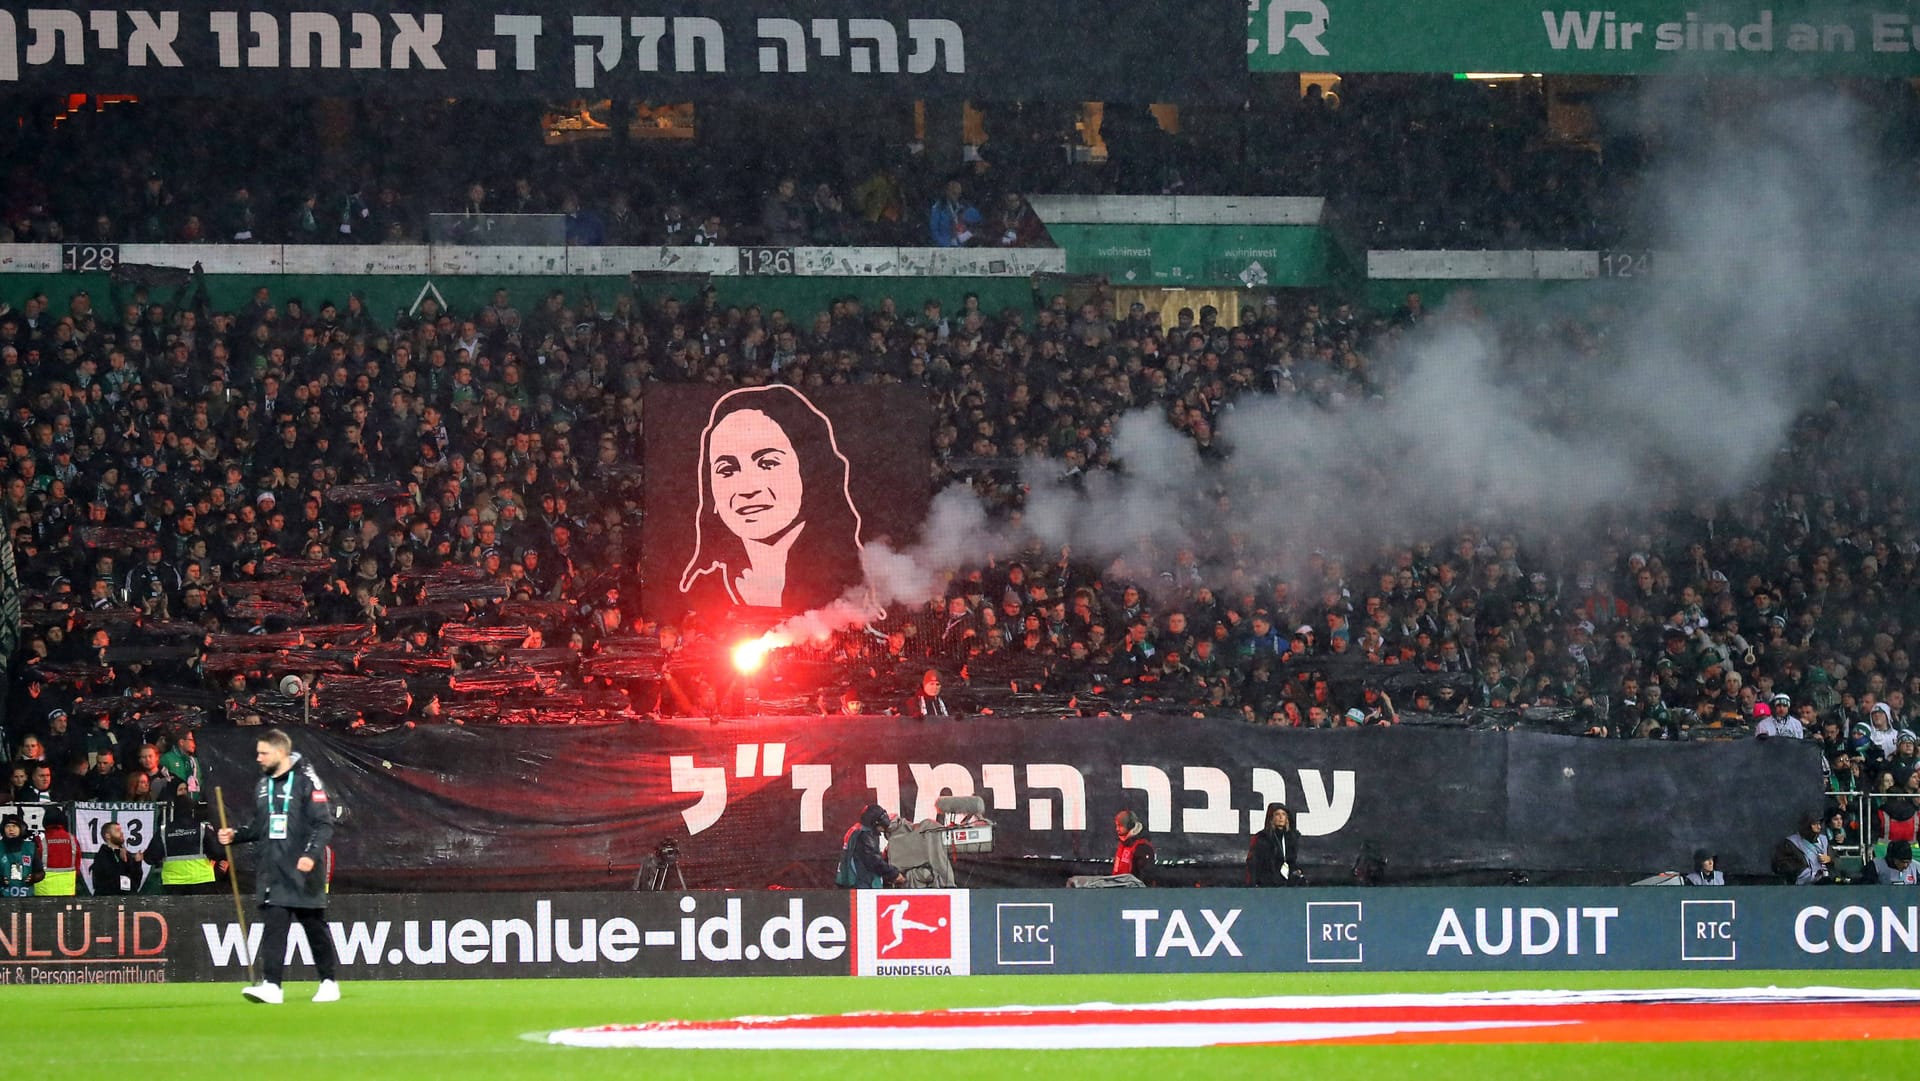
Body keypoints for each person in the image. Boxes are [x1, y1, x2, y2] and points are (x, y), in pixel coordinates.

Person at [677, 385, 868, 613]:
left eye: (768, 463)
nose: (747, 489)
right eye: (727, 470)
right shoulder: (704, 581)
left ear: (808, 471)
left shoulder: (847, 574)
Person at [216, 728, 339, 1004]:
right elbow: (261, 826)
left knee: (314, 928)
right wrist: (235, 835)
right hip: (273, 871)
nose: (258, 758)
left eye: (264, 753)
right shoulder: (262, 785)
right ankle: (272, 986)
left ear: (281, 752)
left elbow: (323, 824)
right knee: (274, 927)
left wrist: (310, 855)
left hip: (304, 871)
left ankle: (328, 982)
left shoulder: (306, 781)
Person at [152, 789, 218, 893]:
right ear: (192, 810)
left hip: (173, 883)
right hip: (201, 880)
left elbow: (150, 857)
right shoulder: (202, 828)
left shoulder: (163, 831)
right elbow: (218, 851)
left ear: (174, 810)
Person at [835, 803, 904, 888]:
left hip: (854, 882)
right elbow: (873, 860)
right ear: (875, 823)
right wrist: (894, 874)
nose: (882, 831)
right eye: (881, 826)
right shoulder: (864, 835)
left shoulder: (856, 830)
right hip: (862, 884)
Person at [1247, 803, 1303, 886]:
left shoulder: (1292, 837)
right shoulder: (1262, 838)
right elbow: (1254, 863)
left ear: (1287, 818)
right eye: (1277, 814)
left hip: (1288, 882)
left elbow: (1293, 861)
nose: (1281, 817)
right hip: (1268, 883)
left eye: (1283, 814)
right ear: (1271, 818)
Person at [1770, 810, 1833, 885]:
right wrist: (1805, 872)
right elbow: (1783, 865)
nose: (1819, 827)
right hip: (1803, 884)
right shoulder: (1791, 843)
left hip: (1825, 881)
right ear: (1807, 825)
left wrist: (1829, 859)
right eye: (1814, 824)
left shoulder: (1824, 840)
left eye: (1819, 824)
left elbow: (1836, 858)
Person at [33, 806, 80, 896]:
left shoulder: (40, 839)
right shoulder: (72, 838)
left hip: (44, 889)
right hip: (67, 888)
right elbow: (77, 863)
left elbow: (33, 862)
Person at [89, 820, 144, 896]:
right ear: (107, 835)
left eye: (121, 830)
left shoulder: (127, 854)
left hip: (127, 900)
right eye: (117, 831)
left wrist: (137, 863)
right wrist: (122, 862)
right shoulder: (101, 855)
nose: (121, 833)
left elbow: (135, 883)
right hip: (107, 901)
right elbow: (108, 880)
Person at [0, 815, 41, 898]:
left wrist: (34, 877)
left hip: (27, 898)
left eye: (14, 826)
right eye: (7, 826)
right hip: (3, 898)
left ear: (21, 829)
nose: (11, 829)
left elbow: (40, 872)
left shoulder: (30, 847)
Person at [1112, 810, 1155, 884]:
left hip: (1134, 891)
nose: (1117, 829)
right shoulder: (1123, 844)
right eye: (1116, 825)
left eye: (1120, 826)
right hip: (1119, 889)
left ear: (1130, 826)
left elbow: (1145, 876)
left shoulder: (1142, 847)